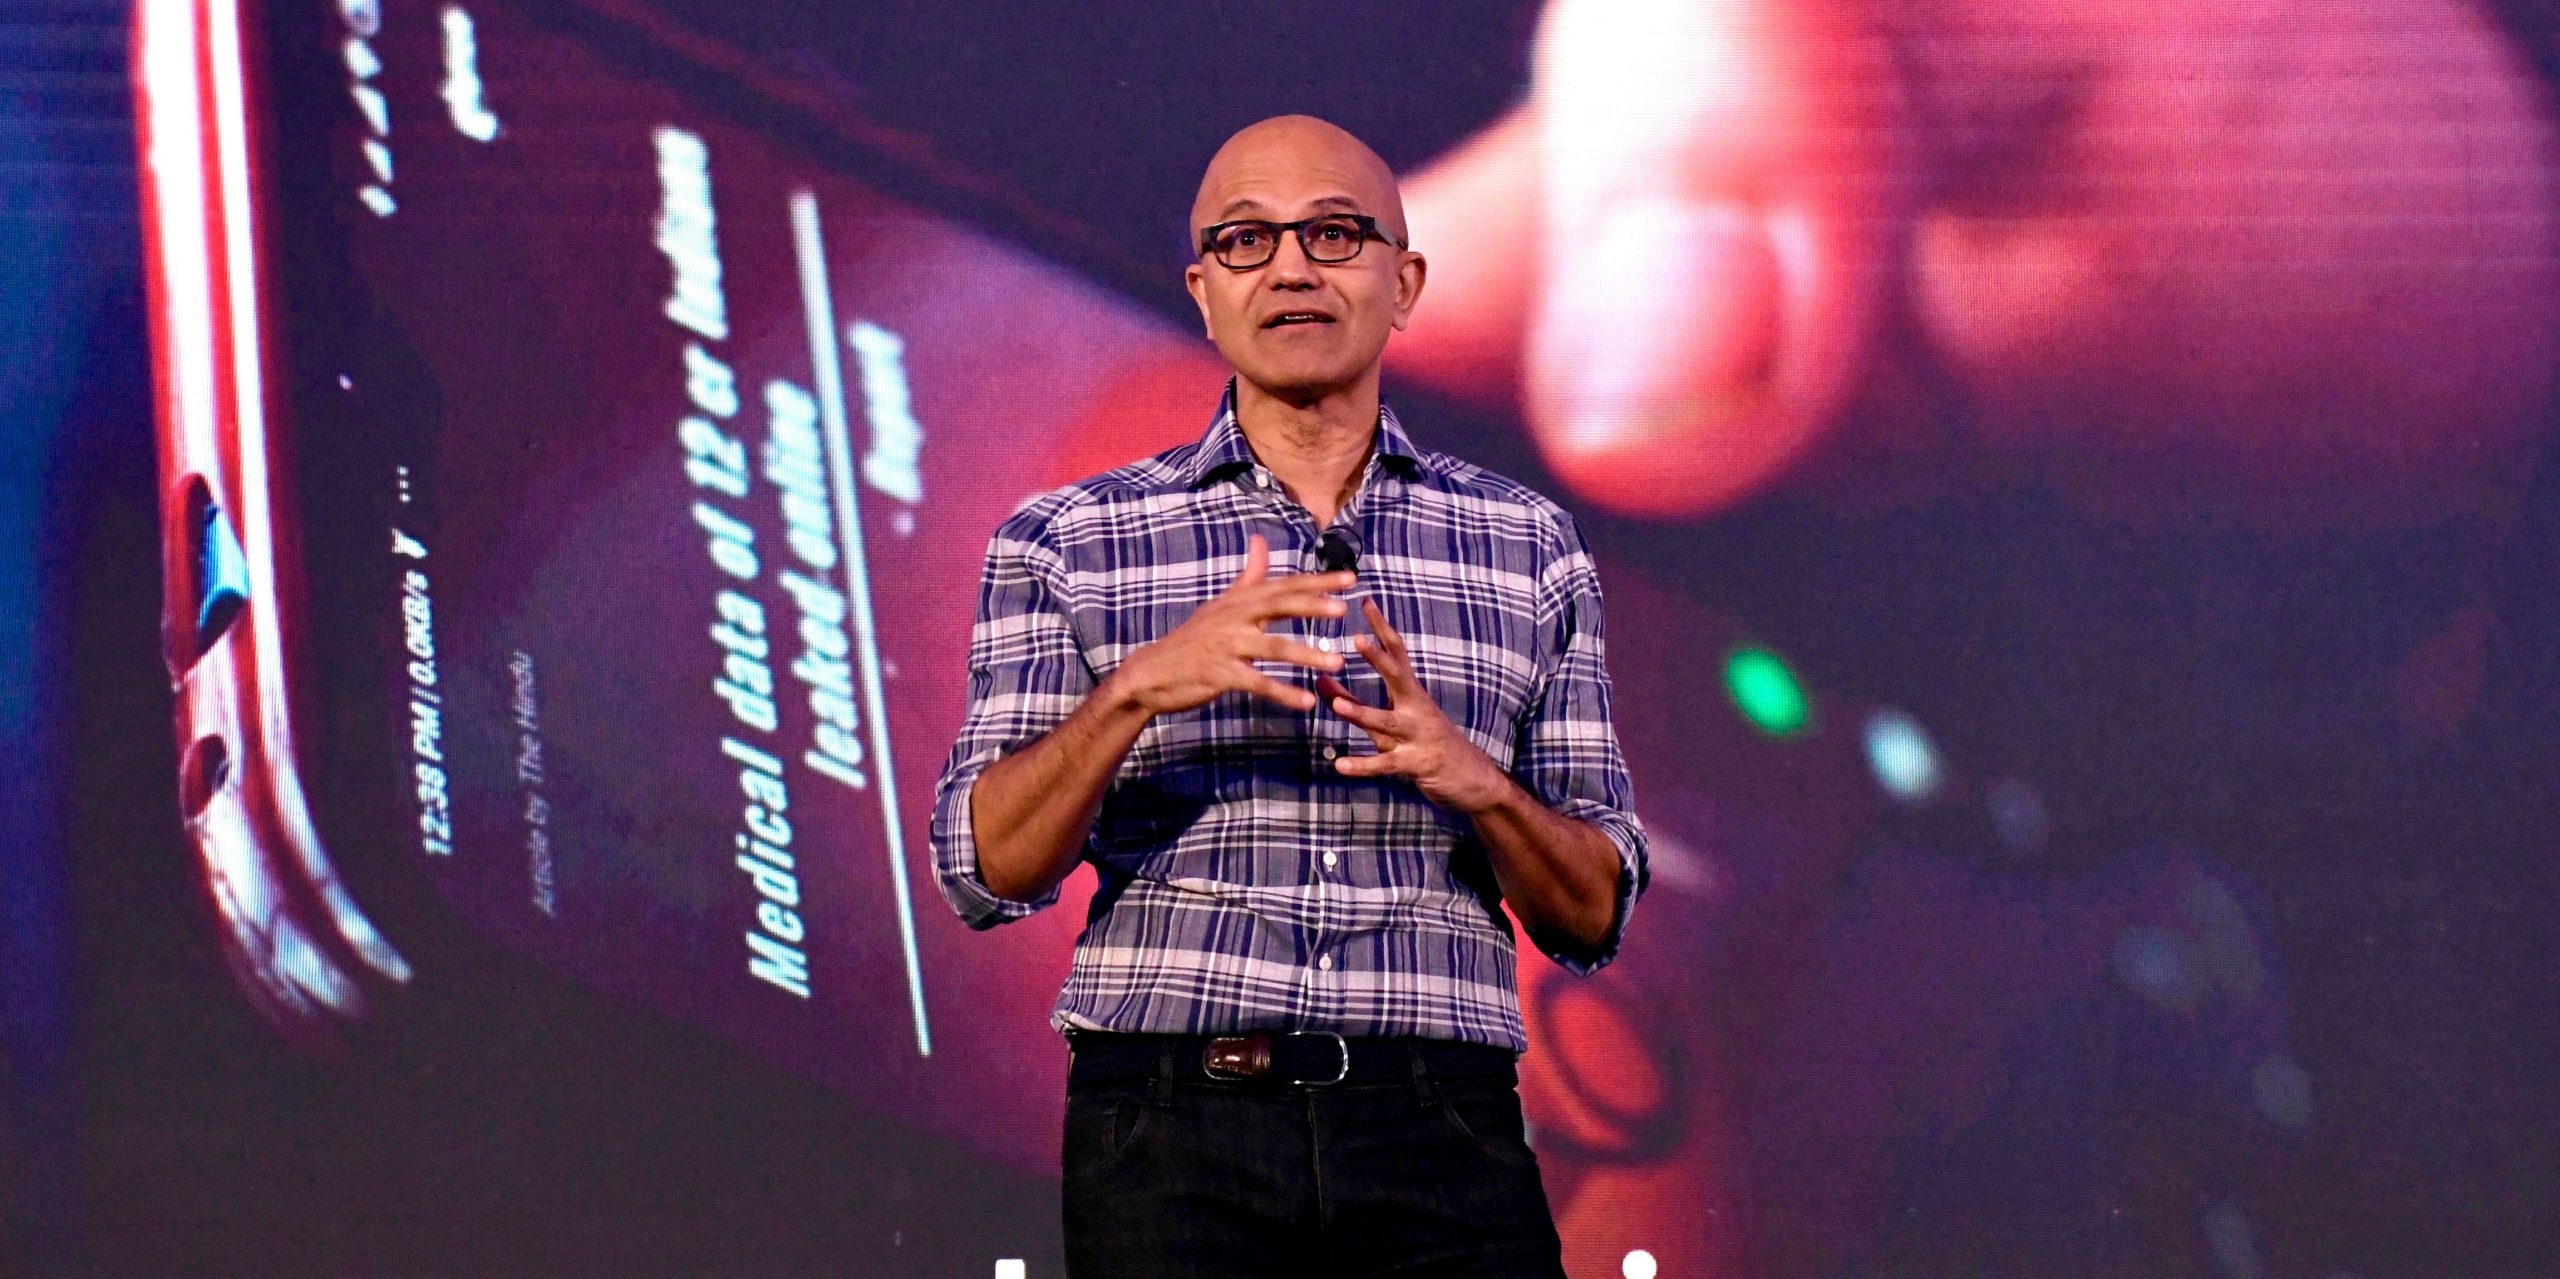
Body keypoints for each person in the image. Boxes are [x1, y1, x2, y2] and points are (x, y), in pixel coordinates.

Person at [928, 114, 1647, 1276]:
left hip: (1441, 1118)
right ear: (1204, 290)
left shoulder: (1529, 545)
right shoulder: (1066, 540)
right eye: (1247, 240)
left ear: (1403, 282)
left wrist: (1480, 787)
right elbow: (983, 872)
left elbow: (1593, 915)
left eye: (1334, 232)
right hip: (1172, 1119)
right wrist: (1135, 694)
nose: (1293, 267)